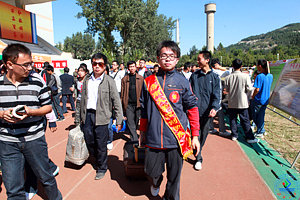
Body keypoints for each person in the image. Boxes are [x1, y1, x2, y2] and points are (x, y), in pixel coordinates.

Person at [0, 43, 62, 199]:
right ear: (9, 65)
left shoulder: (37, 81)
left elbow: (48, 107)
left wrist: (31, 112)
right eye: (25, 65)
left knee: (47, 178)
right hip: (7, 143)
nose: (30, 68)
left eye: (31, 63)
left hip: (34, 140)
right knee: (13, 188)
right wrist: (2, 115)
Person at [140, 41, 200, 200]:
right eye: (164, 56)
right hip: (153, 138)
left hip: (176, 140)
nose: (167, 59)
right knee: (151, 172)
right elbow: (144, 110)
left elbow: (192, 108)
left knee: (174, 178)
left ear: (177, 59)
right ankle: (156, 182)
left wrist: (195, 135)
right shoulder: (148, 82)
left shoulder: (182, 81)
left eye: (171, 56)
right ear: (158, 58)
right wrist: (142, 132)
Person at [80, 53, 123, 180]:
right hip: (88, 115)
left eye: (100, 64)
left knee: (101, 143)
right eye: (94, 64)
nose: (97, 66)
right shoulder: (87, 79)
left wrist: (119, 119)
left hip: (102, 117)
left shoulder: (109, 81)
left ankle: (102, 167)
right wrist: (78, 118)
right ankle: (96, 158)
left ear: (105, 66)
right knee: (89, 139)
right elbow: (81, 100)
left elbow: (116, 101)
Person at [189, 50, 221, 171]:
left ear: (207, 60)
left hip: (208, 113)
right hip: (194, 112)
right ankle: (199, 158)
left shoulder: (215, 77)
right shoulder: (194, 76)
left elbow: (216, 94)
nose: (197, 61)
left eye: (199, 59)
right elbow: (189, 91)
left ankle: (197, 153)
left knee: (203, 135)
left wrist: (214, 108)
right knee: (195, 134)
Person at [223, 59, 259, 143]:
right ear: (241, 66)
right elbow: (249, 88)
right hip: (242, 102)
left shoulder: (228, 77)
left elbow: (226, 90)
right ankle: (249, 137)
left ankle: (234, 135)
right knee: (245, 120)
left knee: (232, 119)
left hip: (232, 101)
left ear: (232, 66)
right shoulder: (245, 76)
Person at [121, 61, 144, 142]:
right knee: (130, 123)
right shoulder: (124, 79)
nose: (132, 68)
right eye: (130, 67)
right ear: (128, 68)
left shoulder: (140, 78)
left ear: (135, 67)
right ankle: (135, 140)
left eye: (133, 66)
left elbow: (143, 92)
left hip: (138, 104)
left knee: (136, 121)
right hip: (128, 104)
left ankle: (133, 136)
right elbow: (122, 93)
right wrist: (122, 105)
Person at [251, 59, 273, 137]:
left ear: (260, 66)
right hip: (266, 99)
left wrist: (253, 96)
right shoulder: (270, 76)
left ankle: (260, 131)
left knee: (256, 116)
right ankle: (261, 130)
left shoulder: (259, 76)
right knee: (261, 115)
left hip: (258, 99)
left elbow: (257, 89)